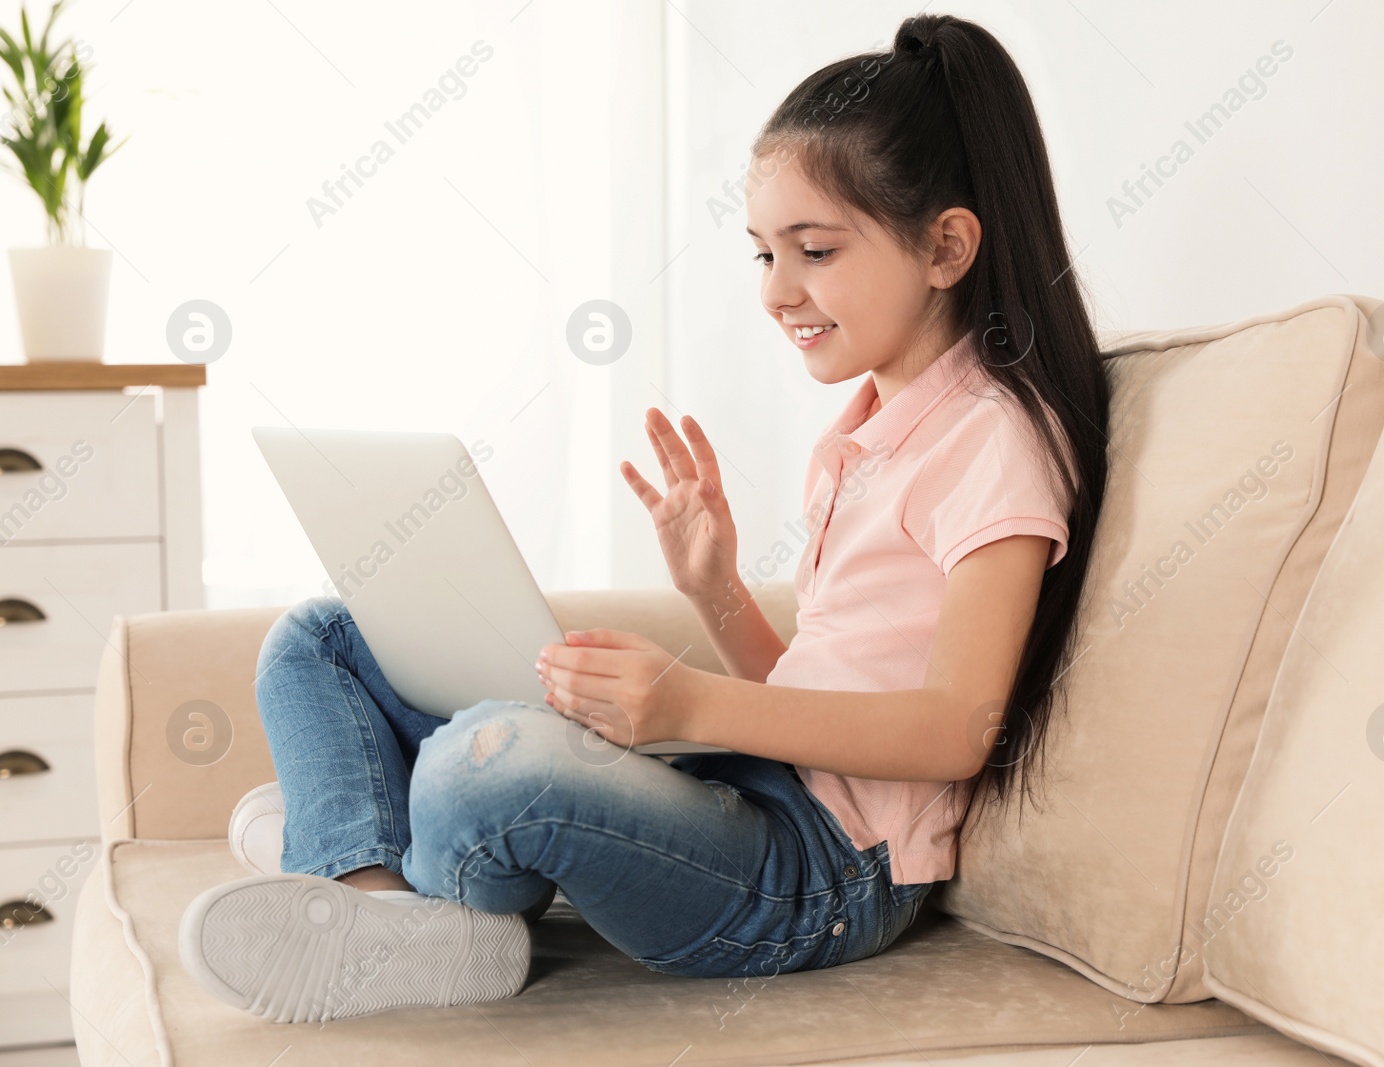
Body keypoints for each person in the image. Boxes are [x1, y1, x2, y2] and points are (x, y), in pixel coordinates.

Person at [178, 12, 1109, 1023]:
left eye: (815, 249)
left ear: (947, 245)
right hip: (751, 788)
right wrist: (714, 591)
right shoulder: (867, 433)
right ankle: (372, 894)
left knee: (481, 762)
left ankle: (353, 850)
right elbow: (807, 695)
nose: (777, 291)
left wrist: (688, 705)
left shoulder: (996, 442)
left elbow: (955, 728)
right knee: (318, 637)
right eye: (762, 254)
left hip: (827, 876)